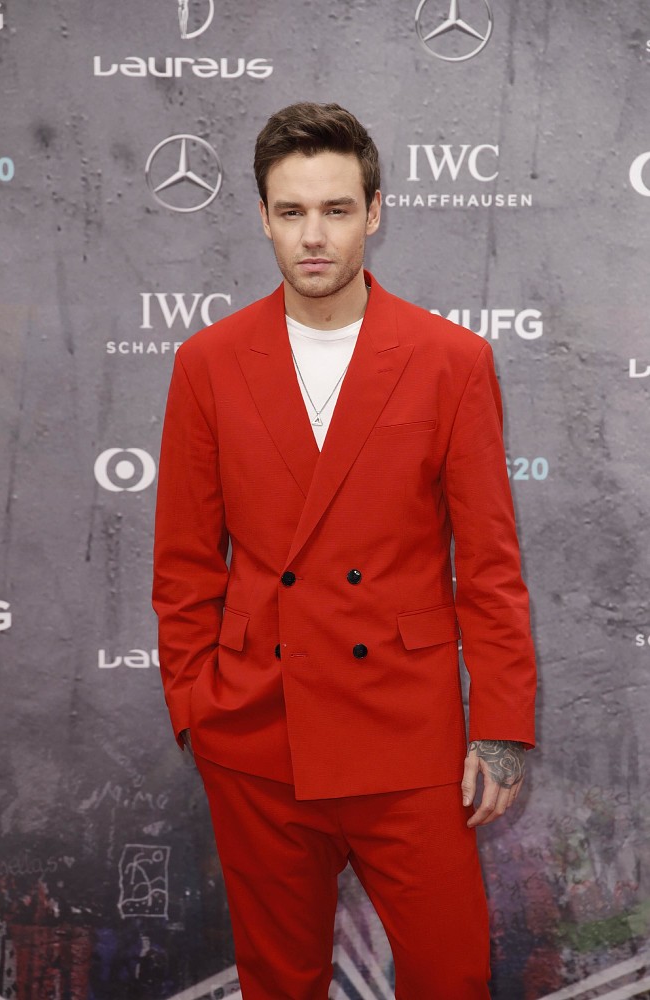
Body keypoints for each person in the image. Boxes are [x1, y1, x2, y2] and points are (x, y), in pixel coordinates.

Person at [152, 102, 537, 1000]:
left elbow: (488, 563)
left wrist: (501, 728)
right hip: (258, 733)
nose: (313, 236)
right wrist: (196, 708)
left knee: (450, 976)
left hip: (408, 735)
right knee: (278, 982)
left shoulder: (449, 360)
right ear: (262, 218)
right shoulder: (208, 362)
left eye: (334, 209)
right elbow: (183, 562)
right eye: (291, 212)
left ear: (374, 212)